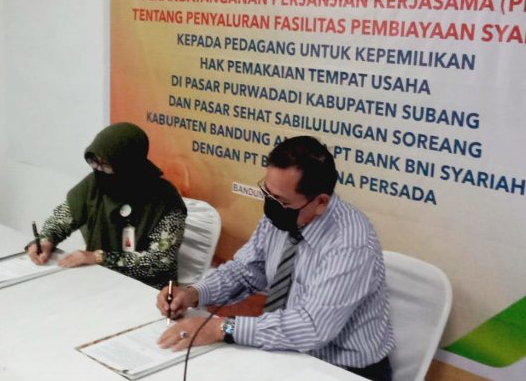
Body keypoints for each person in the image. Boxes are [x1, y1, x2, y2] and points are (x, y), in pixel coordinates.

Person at [156, 136, 395, 381]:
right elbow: (245, 271)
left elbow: (311, 327)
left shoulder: (351, 243)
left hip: (342, 370)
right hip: (290, 354)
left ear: (321, 202)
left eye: (281, 201)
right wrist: (194, 293)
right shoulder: (283, 214)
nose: (271, 205)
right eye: (267, 193)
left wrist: (221, 327)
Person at [26, 122, 187, 289]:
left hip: (149, 289)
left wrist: (99, 257)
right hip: (100, 278)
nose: (99, 169)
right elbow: (62, 218)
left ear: (128, 165)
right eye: (94, 162)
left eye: (107, 165)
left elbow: (158, 262)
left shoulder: (165, 200)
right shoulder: (95, 183)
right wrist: (46, 240)